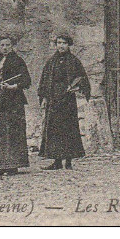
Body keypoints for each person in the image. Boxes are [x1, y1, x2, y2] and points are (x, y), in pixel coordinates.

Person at [0, 34, 32, 176]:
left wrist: (13, 86)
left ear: (12, 46)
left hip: (14, 102)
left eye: (8, 45)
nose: (5, 48)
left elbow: (26, 80)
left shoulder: (18, 61)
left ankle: (13, 165)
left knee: (13, 132)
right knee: (0, 133)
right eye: (2, 45)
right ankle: (1, 164)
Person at [38, 34, 91, 170]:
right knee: (54, 130)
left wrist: (75, 88)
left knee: (68, 129)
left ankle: (68, 161)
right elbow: (44, 81)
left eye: (64, 43)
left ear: (69, 45)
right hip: (53, 99)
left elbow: (82, 78)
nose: (61, 46)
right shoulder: (51, 62)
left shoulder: (74, 61)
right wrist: (44, 98)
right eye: (58, 43)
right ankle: (56, 161)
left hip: (67, 100)